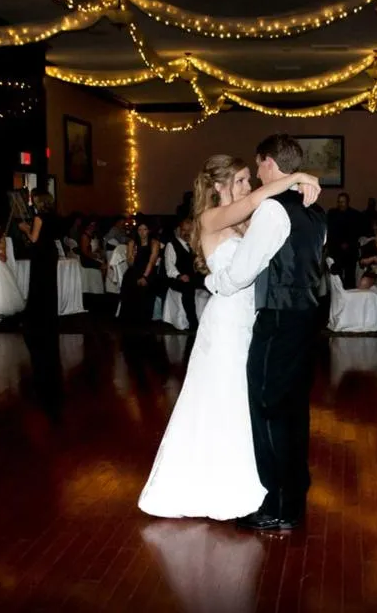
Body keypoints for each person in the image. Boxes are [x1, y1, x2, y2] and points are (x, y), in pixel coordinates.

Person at [138, 152, 321, 521]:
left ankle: (255, 483)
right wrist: (297, 176)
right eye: (239, 180)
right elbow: (259, 201)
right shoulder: (211, 218)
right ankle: (221, 485)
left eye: (247, 179)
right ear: (218, 186)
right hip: (225, 325)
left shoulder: (245, 221)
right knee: (225, 398)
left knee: (249, 402)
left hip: (251, 320)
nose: (248, 186)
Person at [203, 136, 326, 532]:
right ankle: (296, 489)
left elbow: (242, 271)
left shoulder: (273, 210)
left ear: (270, 163)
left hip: (278, 320)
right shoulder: (315, 211)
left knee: (270, 409)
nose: (256, 175)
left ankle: (279, 505)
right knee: (294, 409)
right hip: (308, 317)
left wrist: (214, 284)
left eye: (258, 167)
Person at [18, 192, 59, 328]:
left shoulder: (39, 217)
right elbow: (43, 233)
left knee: (38, 283)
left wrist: (24, 229)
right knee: (49, 283)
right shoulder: (54, 216)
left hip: (41, 253)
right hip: (51, 251)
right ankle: (49, 314)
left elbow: (34, 239)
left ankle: (36, 315)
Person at [164, 216, 203, 330]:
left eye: (189, 230)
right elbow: (169, 266)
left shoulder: (193, 245)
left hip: (192, 277)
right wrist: (179, 276)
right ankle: (193, 323)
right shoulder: (172, 245)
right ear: (179, 230)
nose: (186, 233)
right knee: (188, 289)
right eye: (184, 230)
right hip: (176, 278)